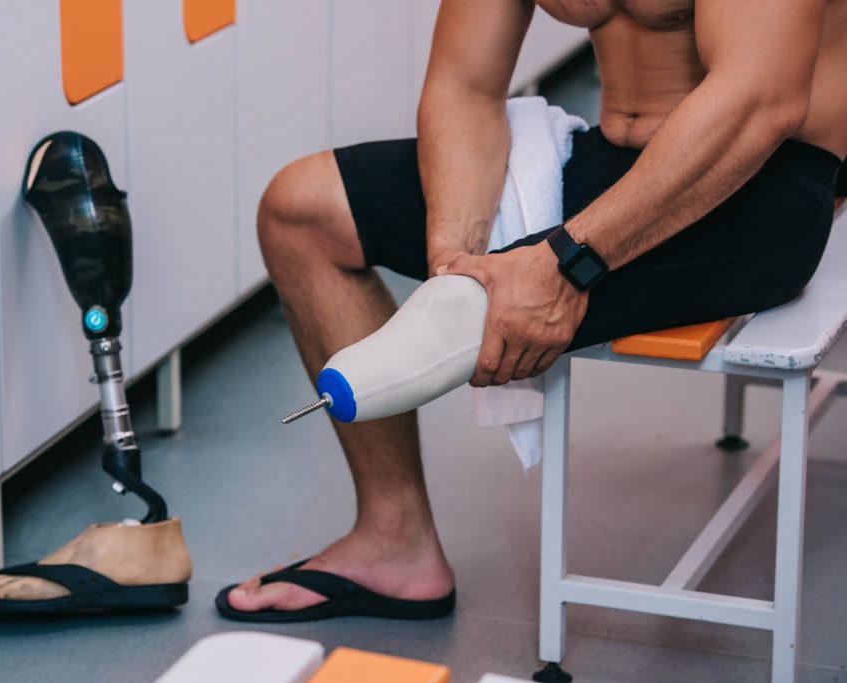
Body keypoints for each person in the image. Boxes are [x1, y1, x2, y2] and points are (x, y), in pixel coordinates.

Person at [215, 0, 847, 622]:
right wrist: (455, 268)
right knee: (301, 211)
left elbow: (760, 100)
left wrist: (566, 264)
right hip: (617, 157)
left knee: (474, 310)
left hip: (760, 185)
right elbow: (465, 84)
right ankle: (394, 541)